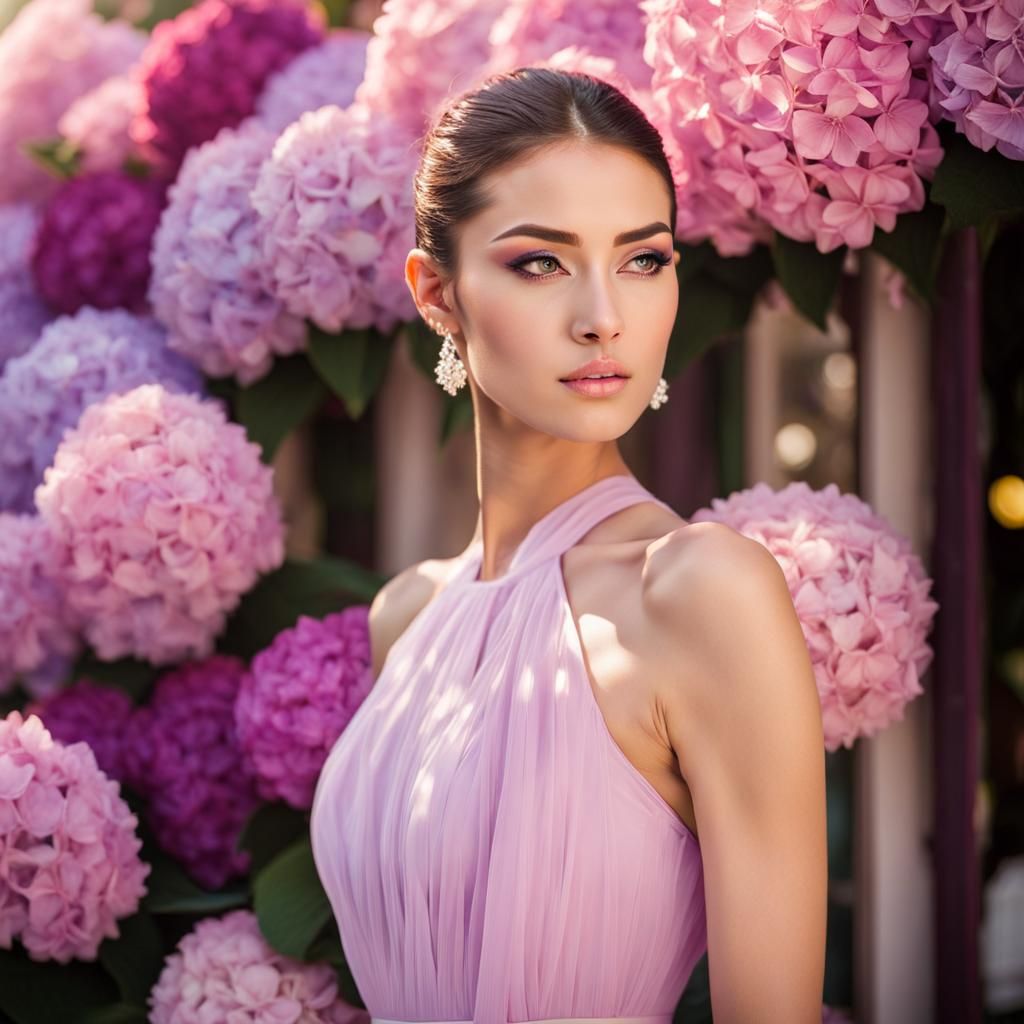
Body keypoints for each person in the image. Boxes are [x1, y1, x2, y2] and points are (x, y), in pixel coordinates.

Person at [310, 66, 827, 1024]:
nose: (604, 318)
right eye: (541, 263)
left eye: (644, 259)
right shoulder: (406, 617)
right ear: (437, 293)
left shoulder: (699, 591)